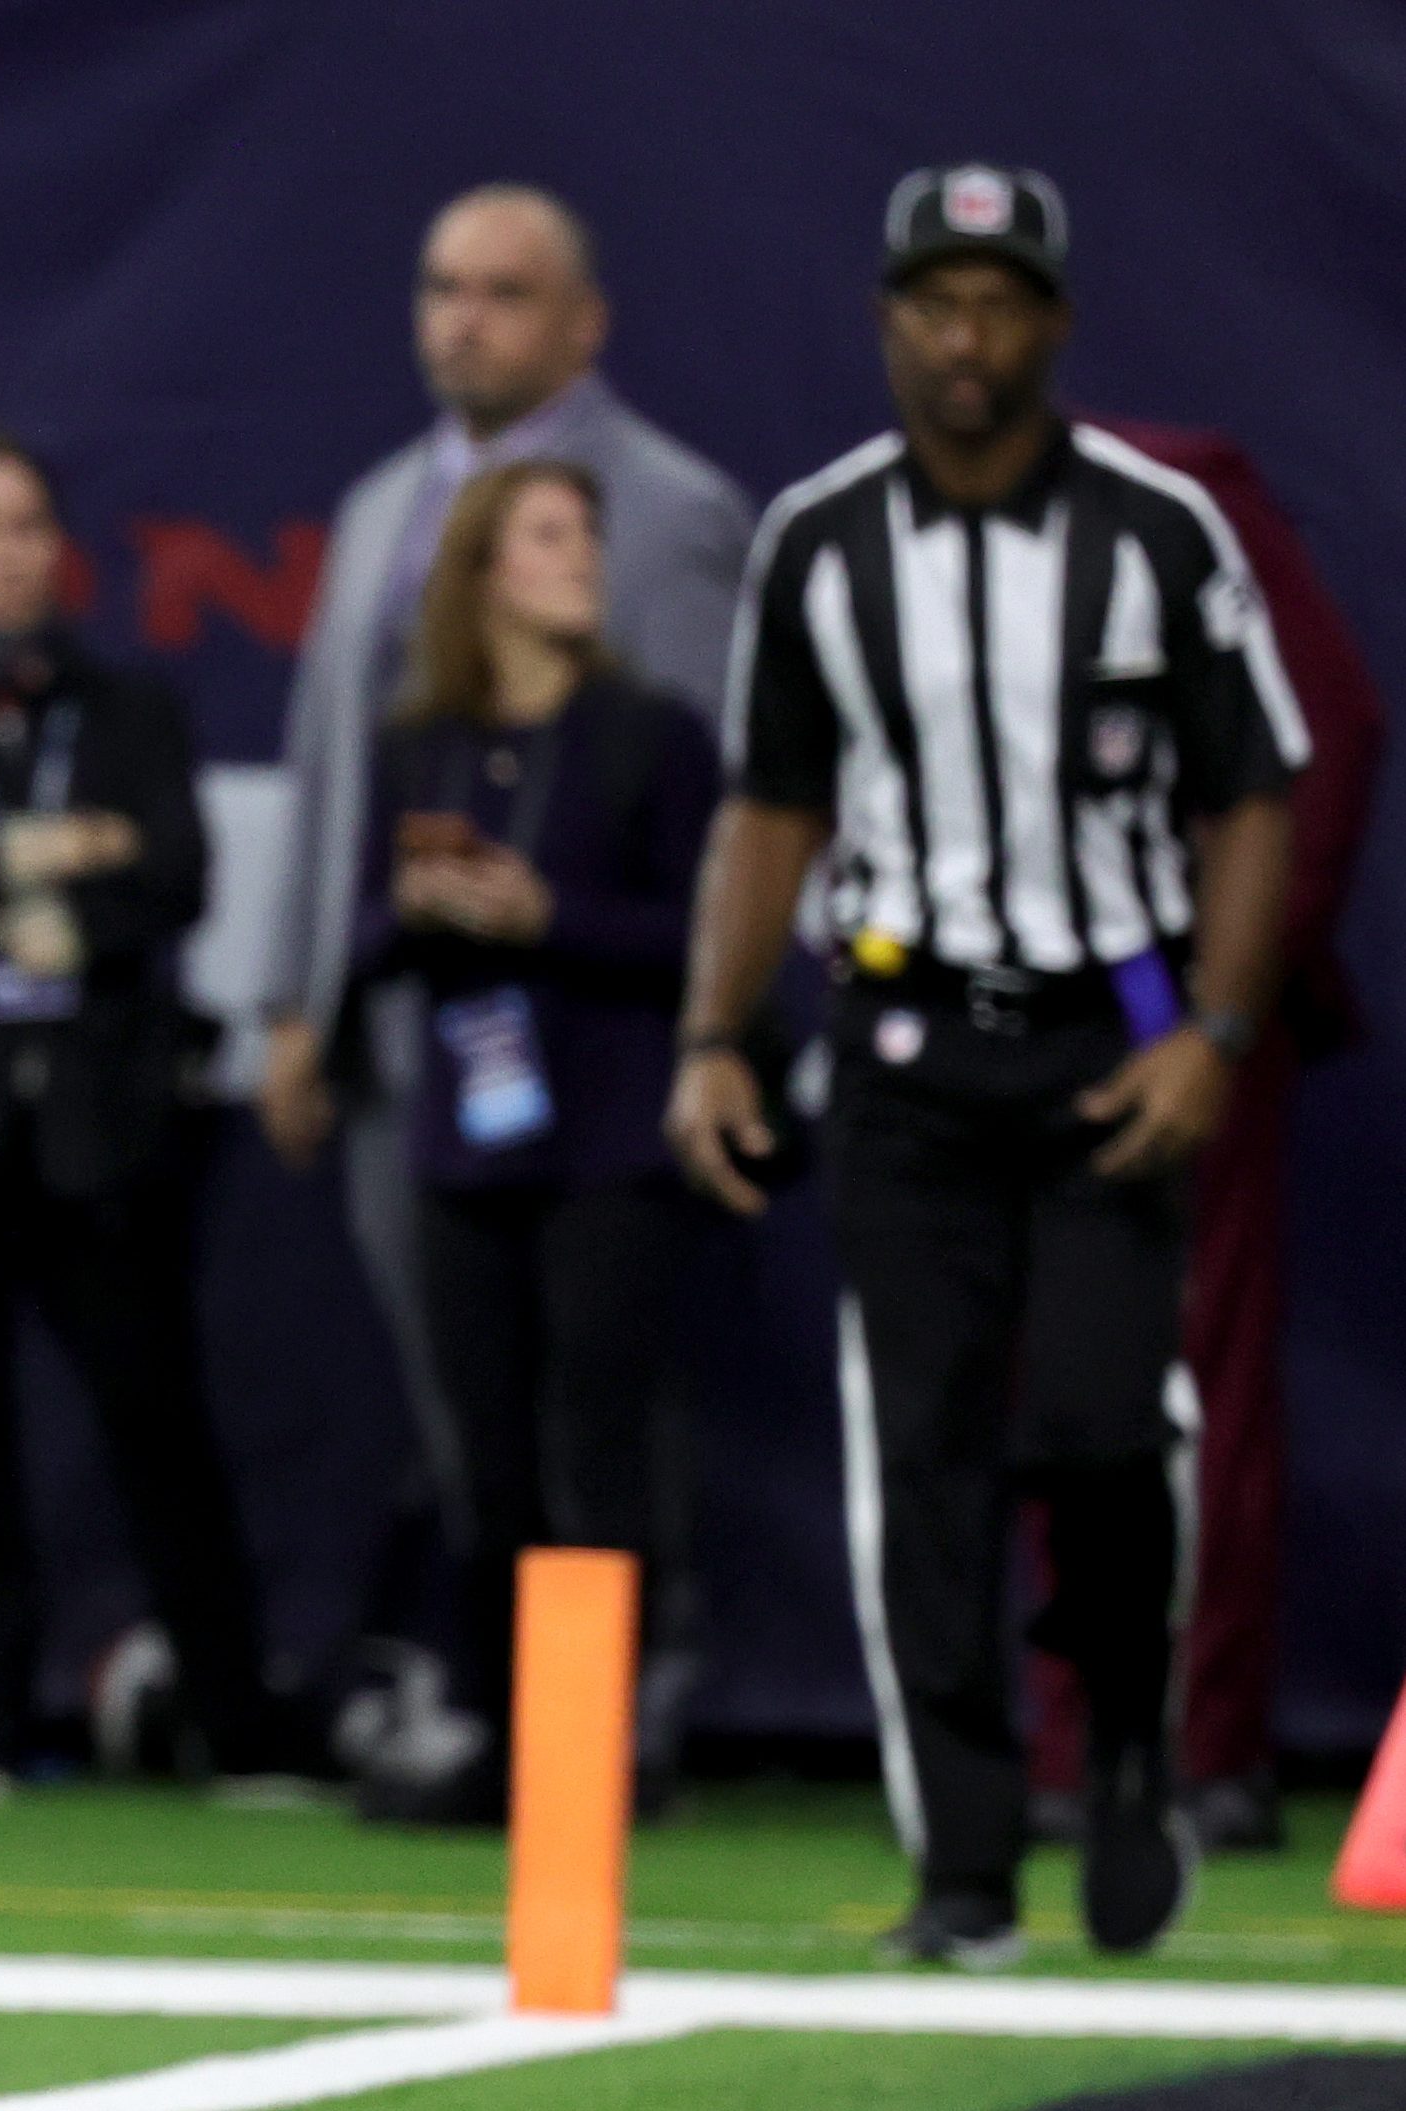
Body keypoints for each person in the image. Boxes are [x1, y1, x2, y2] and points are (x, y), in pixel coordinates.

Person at [667, 166, 1304, 1967]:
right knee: (923, 1452)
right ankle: (959, 1864)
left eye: (997, 300)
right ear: (885, 323)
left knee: (1102, 1433)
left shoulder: (1159, 531)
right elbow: (774, 802)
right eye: (932, 302)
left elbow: (1253, 789)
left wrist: (1215, 1033)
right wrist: (716, 1036)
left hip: (1110, 1040)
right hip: (898, 1041)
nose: (964, 336)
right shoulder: (817, 541)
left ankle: (1118, 1756)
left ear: (1053, 324)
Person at [250, 186, 752, 1773]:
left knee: (604, 1392)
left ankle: (632, 1690)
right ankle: (506, 1710)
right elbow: (329, 769)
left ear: (581, 321)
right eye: (441, 286)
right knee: (465, 1390)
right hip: (420, 1034)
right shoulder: (383, 500)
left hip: (600, 1041)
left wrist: (699, 1022)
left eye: (504, 291)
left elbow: (698, 800)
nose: (463, 317)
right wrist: (296, 1001)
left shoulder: (663, 511)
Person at [0, 427, 277, 1799]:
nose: (7, 555)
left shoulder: (128, 709)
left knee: (162, 1429)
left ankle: (237, 1729)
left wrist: (15, 881)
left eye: (26, 527)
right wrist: (58, 850)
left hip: (103, 1128)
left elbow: (177, 878)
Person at [1023, 420, 1383, 1857]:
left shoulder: (1183, 496)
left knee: (1199, 1386)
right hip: (1018, 1024)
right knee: (1042, 1385)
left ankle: (1202, 1745)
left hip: (1181, 1021)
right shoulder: (900, 537)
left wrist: (1221, 999)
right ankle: (1067, 1732)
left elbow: (1328, 736)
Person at [343, 460, 718, 1823]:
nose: (579, 559)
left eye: (584, 535)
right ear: (483, 568)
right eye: (548, 536)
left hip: (606, 1144)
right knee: (485, 1458)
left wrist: (542, 916)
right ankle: (511, 1743)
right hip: (465, 1148)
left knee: (597, 1454)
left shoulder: (652, 736)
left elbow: (706, 942)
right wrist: (423, 909)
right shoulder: (417, 744)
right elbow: (363, 940)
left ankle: (597, 1752)